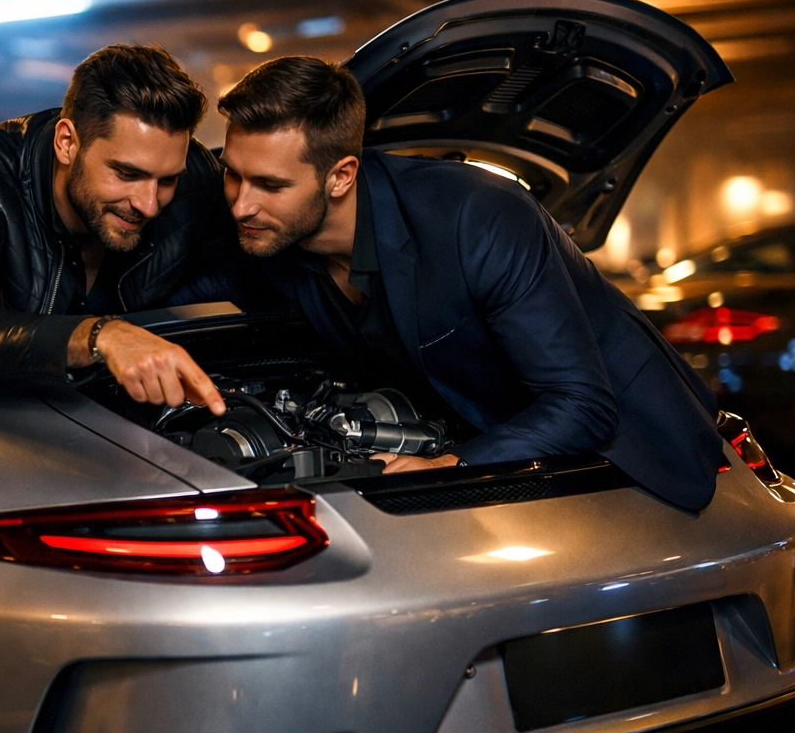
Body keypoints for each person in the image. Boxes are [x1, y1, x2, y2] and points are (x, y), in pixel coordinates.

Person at [216, 55, 724, 511]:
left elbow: (581, 406)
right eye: (233, 175)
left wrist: (448, 468)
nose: (242, 204)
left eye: (270, 185)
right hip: (475, 462)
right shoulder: (270, 235)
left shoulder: (478, 216)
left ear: (342, 175)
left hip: (626, 466)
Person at [0, 44, 227, 415]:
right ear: (67, 143)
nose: (149, 204)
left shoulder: (196, 182)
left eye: (166, 180)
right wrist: (100, 335)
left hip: (139, 439)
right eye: (127, 174)